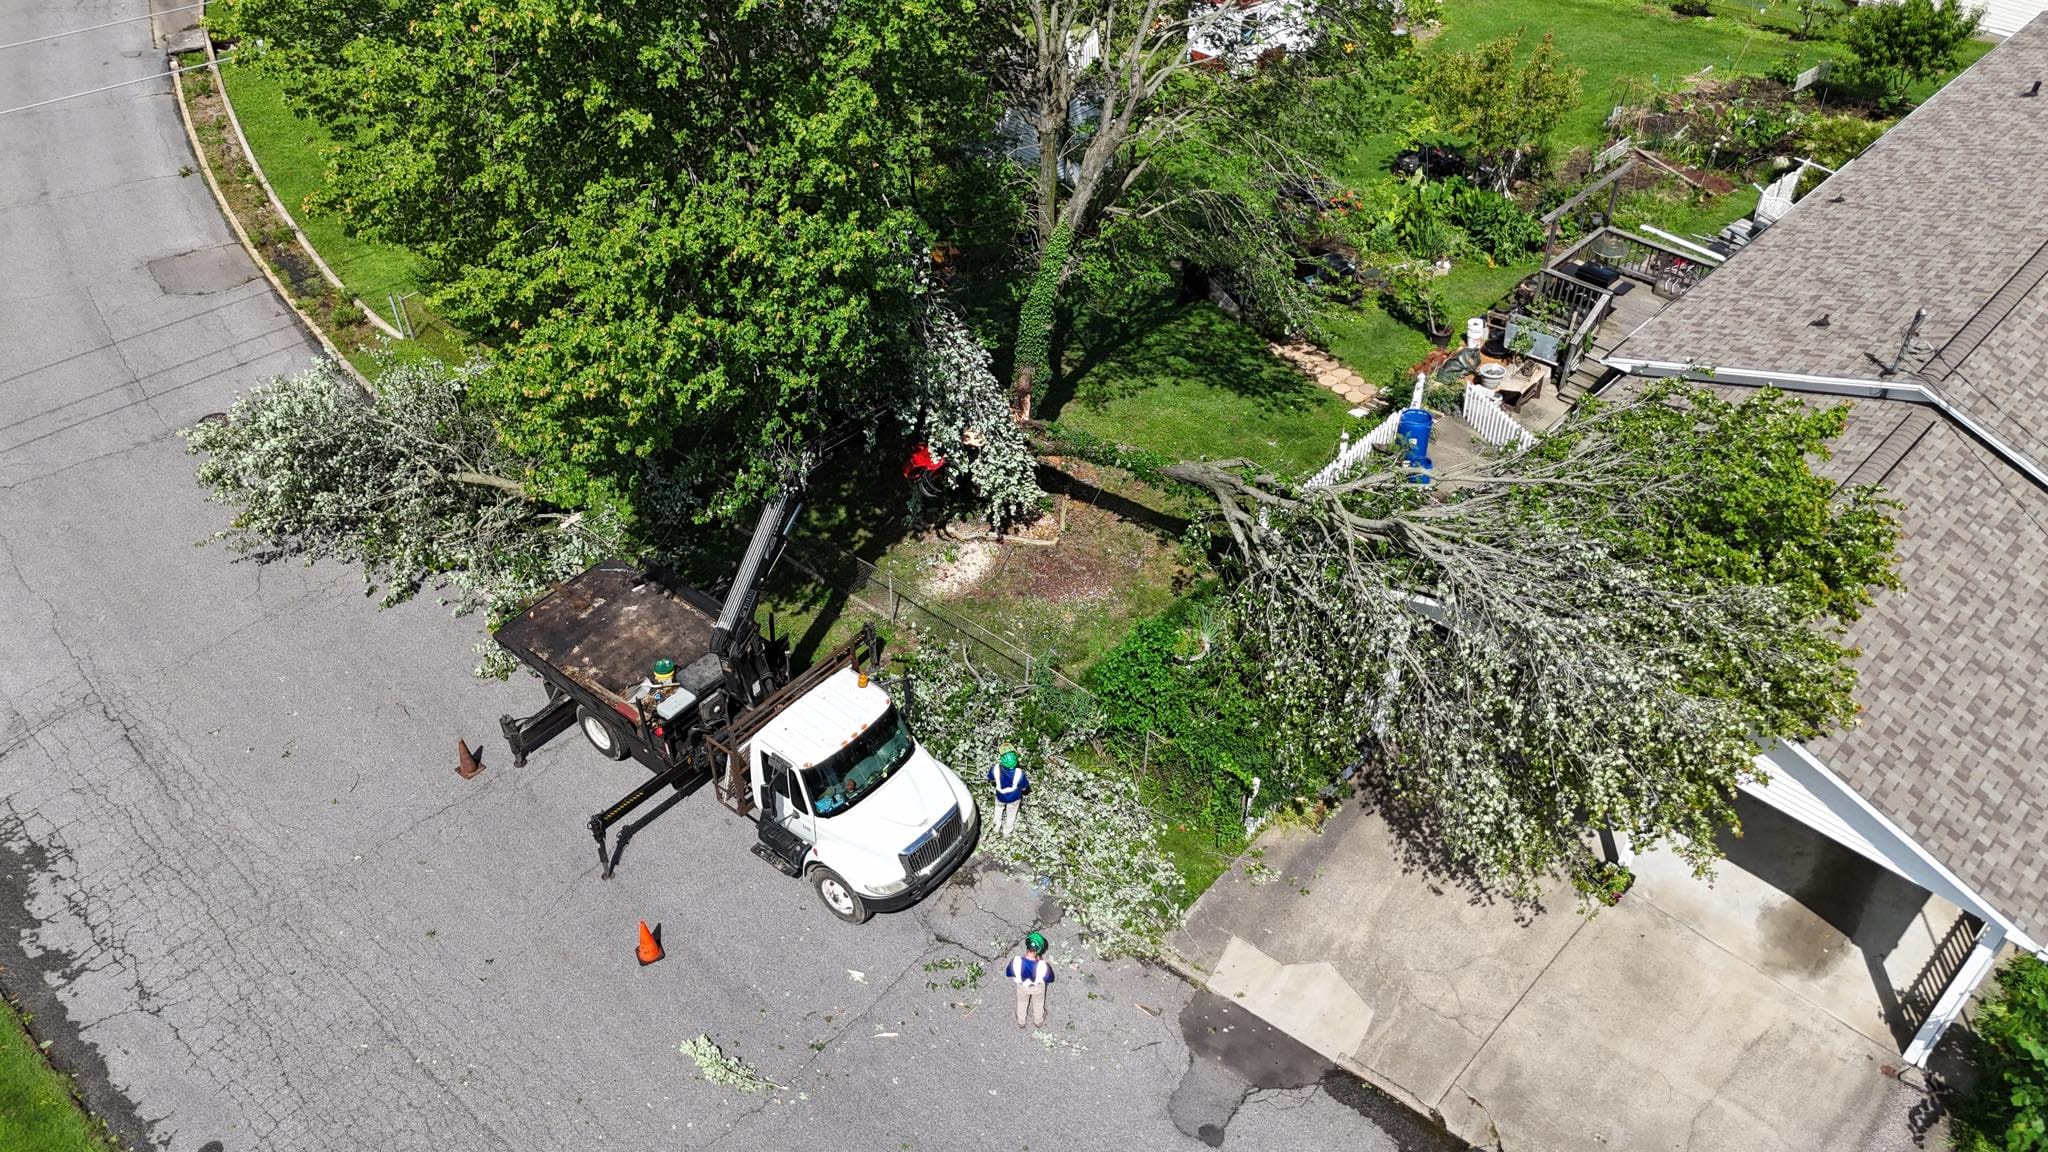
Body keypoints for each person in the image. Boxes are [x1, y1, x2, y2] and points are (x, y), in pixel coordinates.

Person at [1005, 932, 1055, 1030]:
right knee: (1038, 1002)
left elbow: (1008, 973)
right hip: (1037, 987)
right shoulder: (1043, 966)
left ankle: (1021, 1021)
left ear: (1027, 945)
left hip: (1021, 986)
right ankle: (1038, 1021)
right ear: (1040, 950)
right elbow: (1050, 978)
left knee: (1022, 1002)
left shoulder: (1016, 961)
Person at [986, 749, 1028, 837]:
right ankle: (1007, 832)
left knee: (998, 808)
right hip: (1014, 798)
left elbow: (990, 778)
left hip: (1000, 795)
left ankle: (996, 828)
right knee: (1011, 814)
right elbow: (1024, 787)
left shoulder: (996, 768)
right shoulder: (1019, 773)